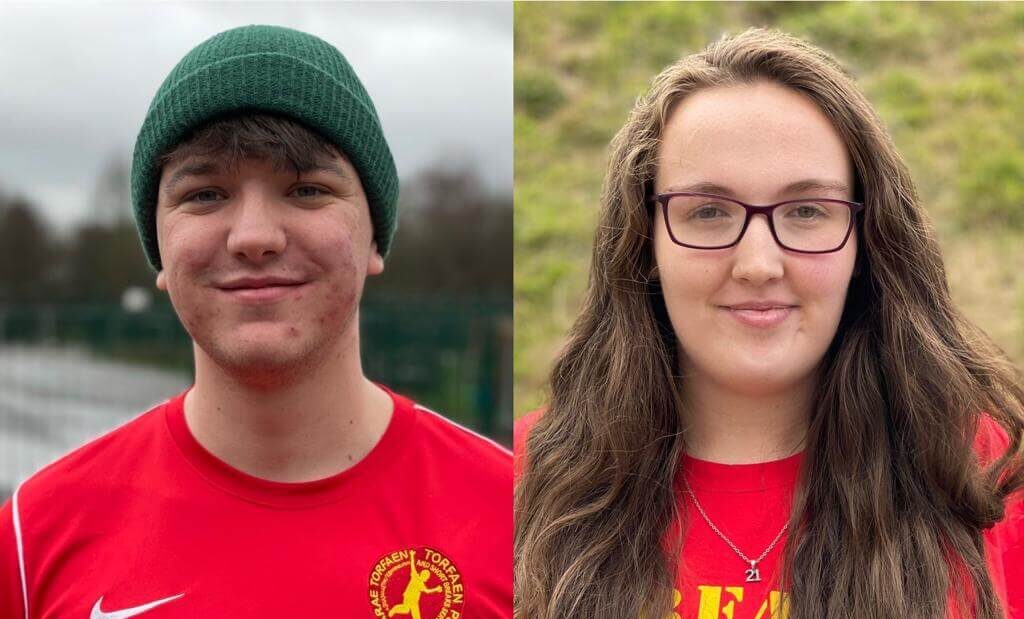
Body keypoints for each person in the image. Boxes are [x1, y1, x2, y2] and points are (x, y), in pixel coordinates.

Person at [0, 25, 511, 618]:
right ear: (158, 252)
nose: (254, 238)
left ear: (376, 239)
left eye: (306, 189)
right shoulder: (30, 540)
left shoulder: (517, 511)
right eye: (206, 195)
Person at [514, 28, 1024, 619]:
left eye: (807, 210)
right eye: (707, 211)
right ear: (643, 242)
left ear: (867, 239)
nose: (758, 264)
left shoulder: (989, 478)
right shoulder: (521, 478)